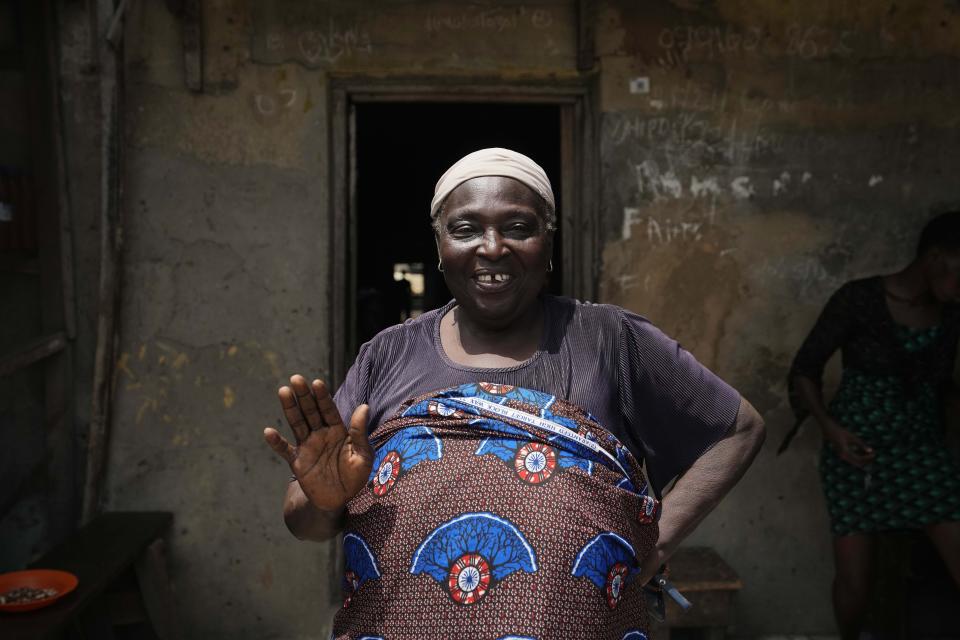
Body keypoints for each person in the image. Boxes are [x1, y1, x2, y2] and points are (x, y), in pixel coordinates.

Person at [264, 148, 765, 638]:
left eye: (518, 228)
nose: (492, 247)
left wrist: (654, 540)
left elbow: (738, 429)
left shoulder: (611, 340)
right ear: (439, 246)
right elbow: (305, 522)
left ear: (549, 239)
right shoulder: (388, 355)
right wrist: (326, 500)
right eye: (465, 230)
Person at [788, 211, 960, 640]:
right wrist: (831, 430)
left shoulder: (951, 314)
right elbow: (804, 370)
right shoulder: (859, 299)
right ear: (937, 258)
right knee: (855, 584)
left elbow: (943, 391)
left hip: (923, 454)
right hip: (857, 455)